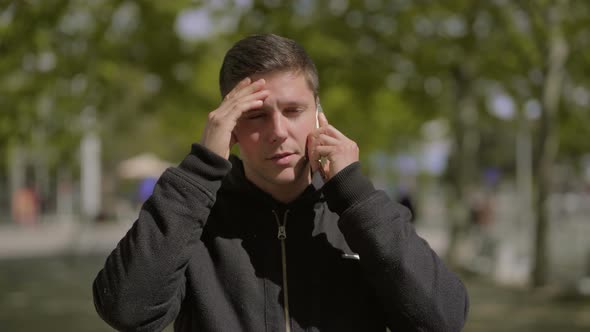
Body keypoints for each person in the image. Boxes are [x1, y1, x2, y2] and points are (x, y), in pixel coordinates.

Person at [93, 34, 469, 332]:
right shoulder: (193, 219)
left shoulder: (359, 214)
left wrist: (353, 191)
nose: (277, 131)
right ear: (230, 125)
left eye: (293, 111)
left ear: (319, 115)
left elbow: (442, 319)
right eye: (255, 116)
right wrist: (201, 170)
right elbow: (128, 311)